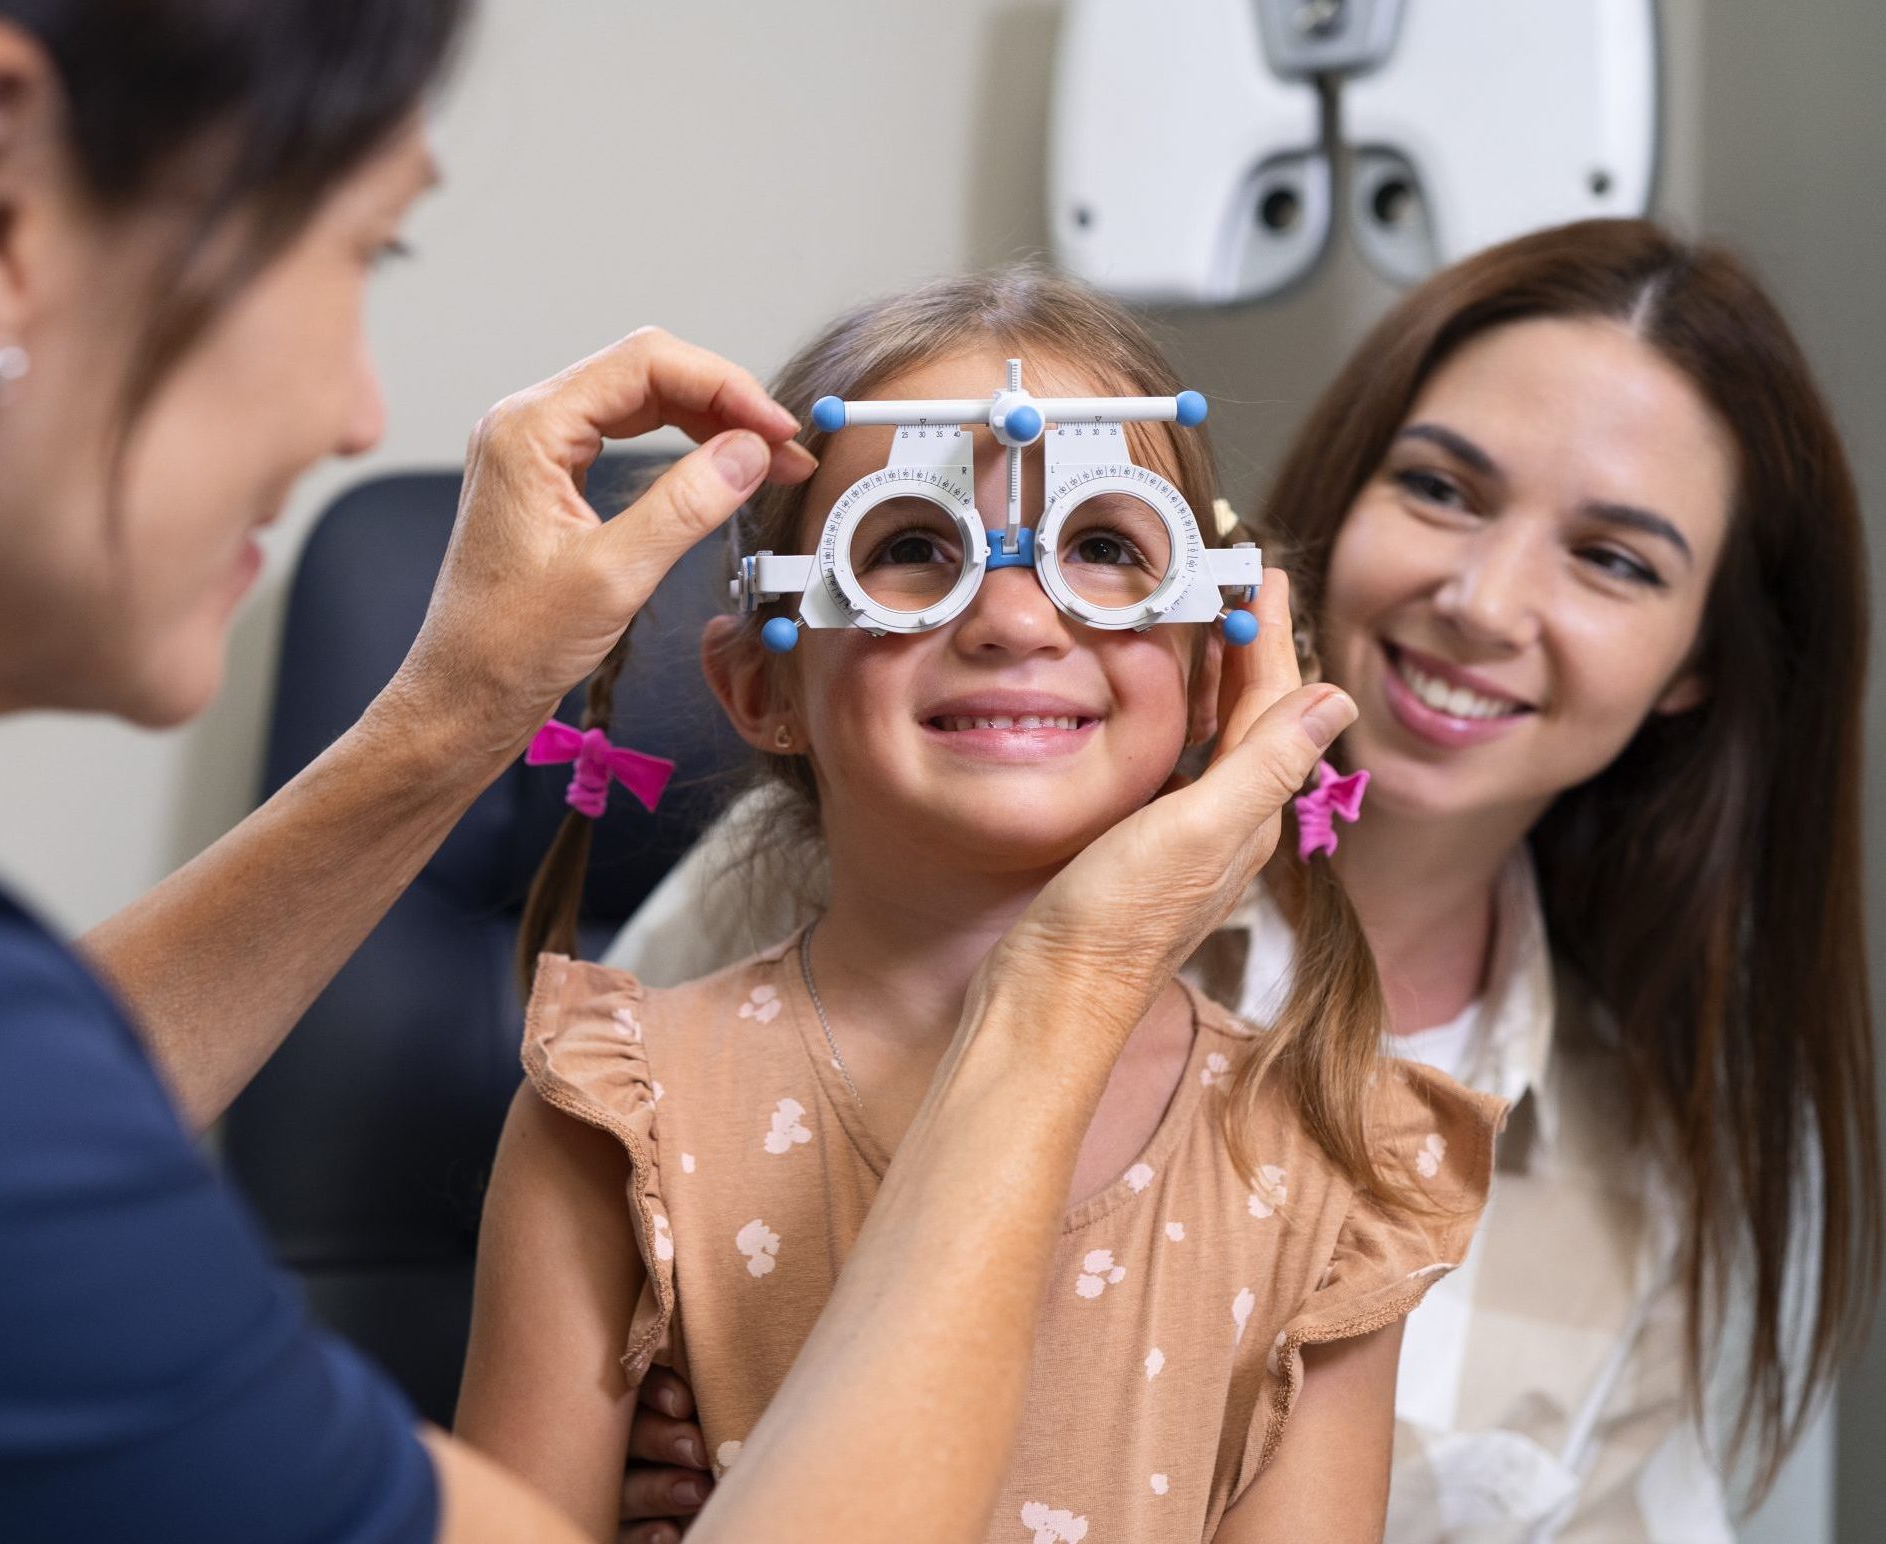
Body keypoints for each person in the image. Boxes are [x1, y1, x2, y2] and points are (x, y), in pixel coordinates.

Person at [0, 4, 1361, 1541]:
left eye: (1100, 550)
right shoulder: (614, 1113)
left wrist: (450, 712)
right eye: (358, 251)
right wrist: (1071, 977)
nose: (360, 413)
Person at [605, 222, 1881, 1544]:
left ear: (1698, 664)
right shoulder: (900, 852)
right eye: (1441, 489)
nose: (1484, 602)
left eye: (1613, 561)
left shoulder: (1671, 1165)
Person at [453, 269, 1507, 1544]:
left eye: (1105, 549)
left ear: (1213, 654)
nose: (1013, 616)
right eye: (908, 547)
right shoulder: (618, 1114)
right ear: (757, 685)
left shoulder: (1325, 1154)